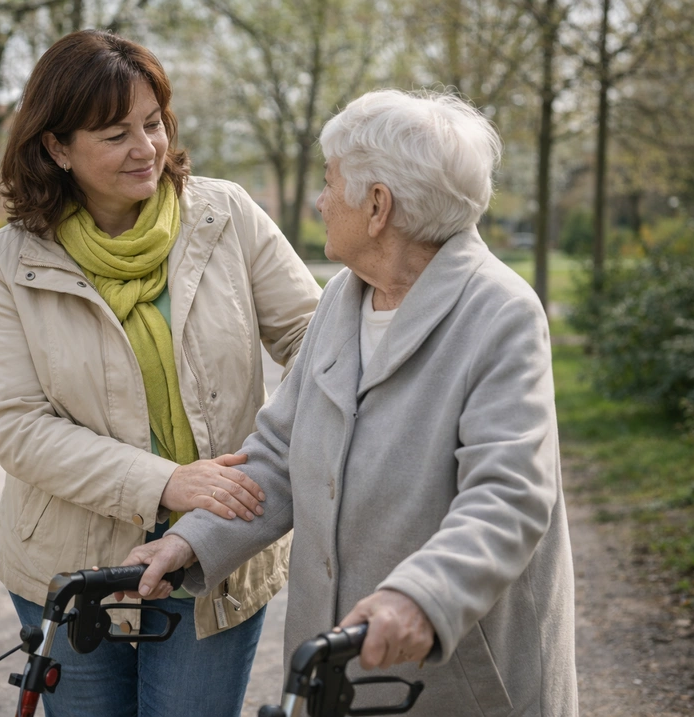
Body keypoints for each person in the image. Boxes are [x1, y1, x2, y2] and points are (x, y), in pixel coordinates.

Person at [124, 89, 579, 716]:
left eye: (330, 182)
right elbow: (281, 452)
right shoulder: (344, 297)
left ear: (377, 206)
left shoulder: (498, 312)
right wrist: (192, 541)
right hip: (334, 670)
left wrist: (421, 597)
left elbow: (509, 496)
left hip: (456, 677)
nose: (319, 200)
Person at [0, 29, 321, 717]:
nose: (146, 149)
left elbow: (317, 343)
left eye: (152, 123)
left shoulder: (228, 217)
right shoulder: (5, 263)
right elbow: (15, 425)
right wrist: (164, 481)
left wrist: (275, 461)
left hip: (213, 551)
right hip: (68, 567)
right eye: (114, 133)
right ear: (56, 147)